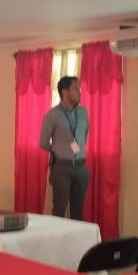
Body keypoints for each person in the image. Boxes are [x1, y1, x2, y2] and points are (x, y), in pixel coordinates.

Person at [39, 76, 89, 220]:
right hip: (62, 167)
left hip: (81, 166)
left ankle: (77, 235)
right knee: (59, 209)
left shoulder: (83, 113)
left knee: (78, 211)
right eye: (76, 89)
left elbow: (83, 137)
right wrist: (58, 149)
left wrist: (75, 149)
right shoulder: (52, 115)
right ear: (65, 92)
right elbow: (43, 143)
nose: (79, 92)